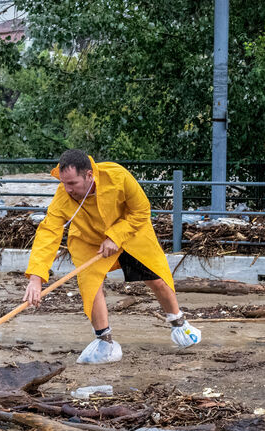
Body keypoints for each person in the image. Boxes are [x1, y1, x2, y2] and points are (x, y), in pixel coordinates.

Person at [22, 149, 201, 364]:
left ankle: (179, 324)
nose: (67, 189)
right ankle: (104, 341)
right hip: (89, 241)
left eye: (72, 183)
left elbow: (142, 210)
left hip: (130, 233)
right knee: (90, 284)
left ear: (89, 175)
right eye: (64, 183)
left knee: (156, 279)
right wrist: (36, 278)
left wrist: (116, 236)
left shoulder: (118, 176)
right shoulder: (64, 195)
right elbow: (49, 231)